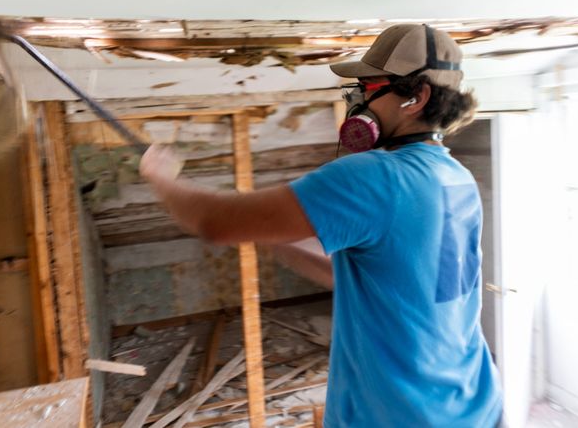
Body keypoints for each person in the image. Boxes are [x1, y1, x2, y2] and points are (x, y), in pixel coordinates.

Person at [138, 24, 503, 427]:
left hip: (403, 416)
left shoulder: (374, 176)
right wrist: (274, 235)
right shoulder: (454, 176)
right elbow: (369, 278)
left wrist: (161, 177)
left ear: (417, 97)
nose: (358, 101)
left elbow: (214, 222)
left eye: (368, 88)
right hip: (470, 404)